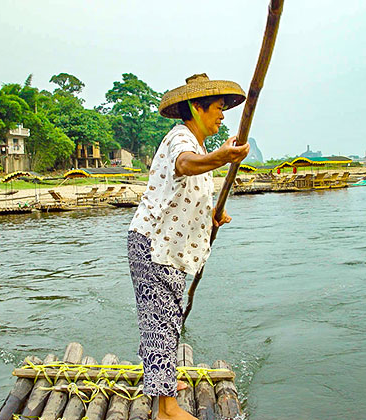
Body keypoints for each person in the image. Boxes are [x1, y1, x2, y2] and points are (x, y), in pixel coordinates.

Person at [127, 73, 249, 420]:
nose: (222, 116)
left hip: (169, 252)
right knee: (161, 320)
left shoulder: (198, 147)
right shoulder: (181, 140)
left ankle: (162, 379)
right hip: (154, 247)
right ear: (196, 108)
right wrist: (224, 157)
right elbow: (184, 166)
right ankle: (167, 408)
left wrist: (213, 214)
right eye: (217, 108)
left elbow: (184, 196)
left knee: (167, 319)